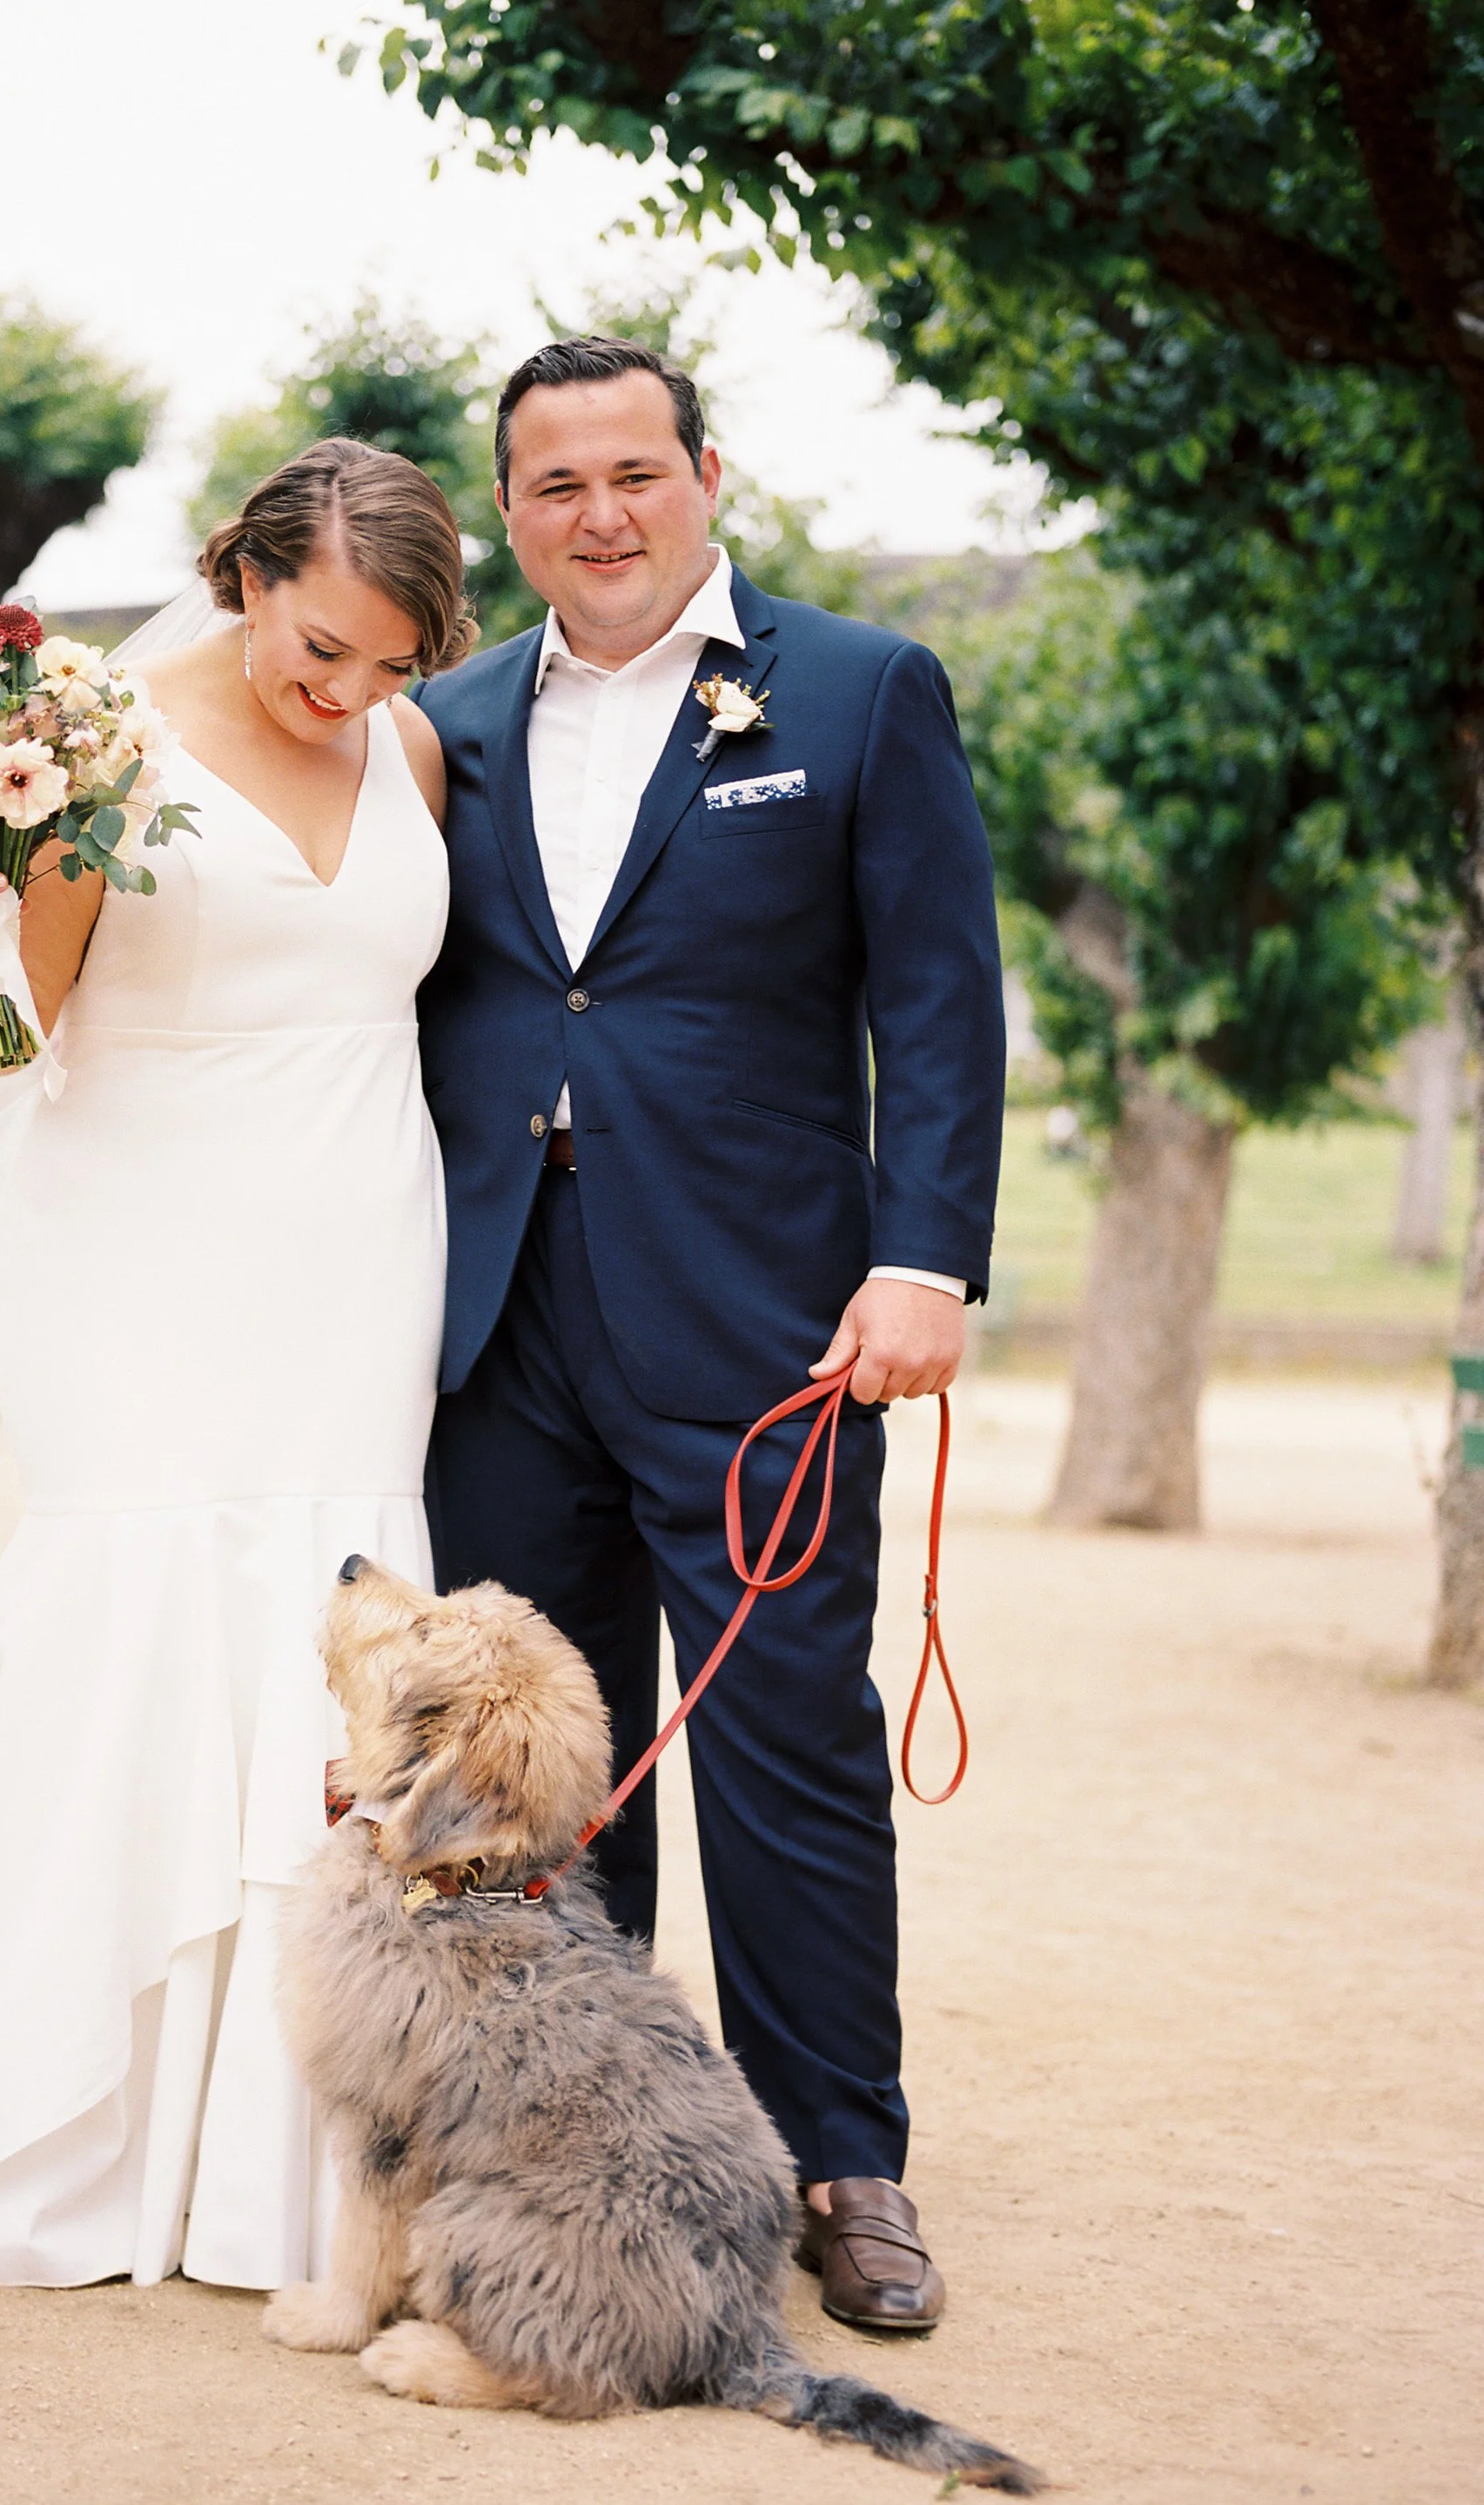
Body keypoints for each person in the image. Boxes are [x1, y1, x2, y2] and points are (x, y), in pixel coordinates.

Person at [0, 438, 471, 2288]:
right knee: (135, 1622)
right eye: (321, 647)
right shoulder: (89, 737)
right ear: (246, 575)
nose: (349, 693)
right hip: (135, 1260)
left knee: (328, 1646)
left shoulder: (415, 752)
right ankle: (63, 2132)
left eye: (388, 663)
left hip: (360, 1263)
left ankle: (277, 2171)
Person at [413, 339, 1005, 2332]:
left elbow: (938, 998)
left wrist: (927, 1263)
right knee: (537, 1767)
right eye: (555, 483)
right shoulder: (443, 724)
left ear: (706, 475)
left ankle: (845, 2160)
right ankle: (583, 2150)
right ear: (509, 512)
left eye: (634, 473)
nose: (601, 513)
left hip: (768, 1324)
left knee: (787, 1743)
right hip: (496, 1325)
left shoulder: (855, 689)